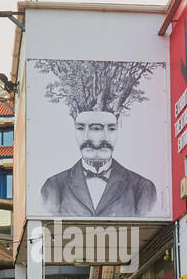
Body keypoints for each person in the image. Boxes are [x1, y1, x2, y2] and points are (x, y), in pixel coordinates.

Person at [37, 59, 162, 217]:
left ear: (119, 128)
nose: (96, 140)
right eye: (82, 127)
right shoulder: (53, 187)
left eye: (109, 128)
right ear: (74, 129)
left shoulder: (143, 188)